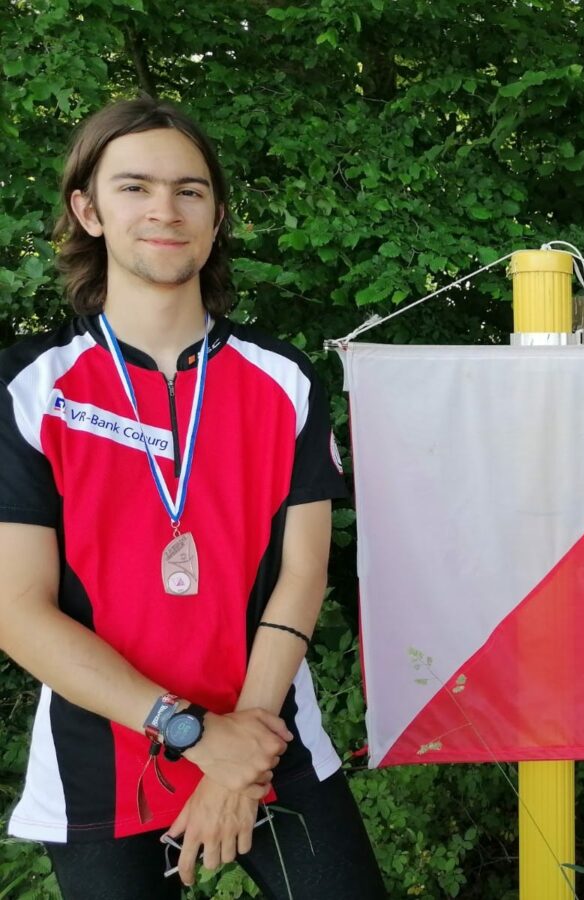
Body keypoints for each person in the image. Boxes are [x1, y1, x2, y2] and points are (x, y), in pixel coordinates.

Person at [0, 97, 387, 899]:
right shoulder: (30, 387)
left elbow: (303, 573)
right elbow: (17, 611)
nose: (164, 211)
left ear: (216, 218)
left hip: (269, 732)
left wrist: (239, 753)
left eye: (190, 190)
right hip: (103, 750)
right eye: (135, 187)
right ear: (89, 209)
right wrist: (193, 736)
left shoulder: (283, 379)